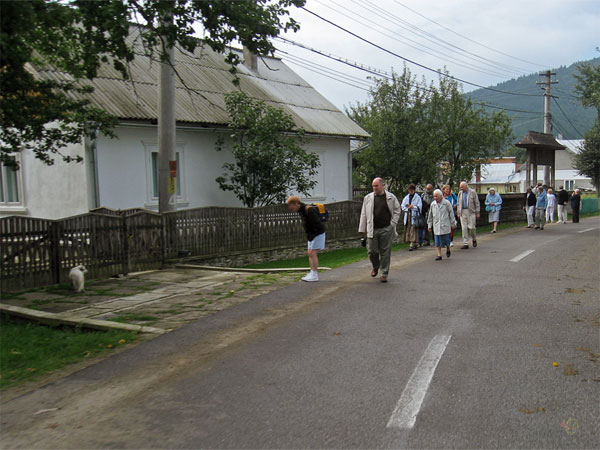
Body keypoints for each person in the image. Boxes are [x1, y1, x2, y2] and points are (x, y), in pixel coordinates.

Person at [359, 177, 401, 283]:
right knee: (371, 251)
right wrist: (362, 229)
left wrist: (393, 224)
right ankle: (375, 266)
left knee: (385, 252)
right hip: (372, 228)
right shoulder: (368, 198)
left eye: (376, 186)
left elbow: (397, 210)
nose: (374, 188)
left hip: (386, 228)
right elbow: (364, 214)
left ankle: (384, 273)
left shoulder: (391, 197)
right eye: (373, 186)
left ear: (382, 185)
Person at [287, 195, 325, 282]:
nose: (290, 208)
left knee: (312, 252)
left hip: (317, 234)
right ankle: (312, 272)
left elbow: (317, 224)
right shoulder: (301, 211)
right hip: (311, 235)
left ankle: (314, 275)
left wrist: (313, 234)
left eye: (291, 205)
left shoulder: (309, 210)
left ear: (296, 203)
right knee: (310, 253)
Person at [427, 189, 456, 260]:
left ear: (441, 196)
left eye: (436, 196)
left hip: (445, 224)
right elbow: (430, 216)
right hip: (436, 225)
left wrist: (453, 223)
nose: (435, 198)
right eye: (434, 196)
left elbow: (451, 214)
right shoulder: (433, 204)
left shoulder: (447, 203)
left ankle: (448, 248)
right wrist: (429, 225)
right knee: (437, 241)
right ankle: (439, 254)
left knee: (446, 240)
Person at [457, 181, 480, 249]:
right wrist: (458, 212)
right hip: (462, 211)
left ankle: (474, 239)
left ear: (466, 186)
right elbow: (458, 203)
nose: (461, 189)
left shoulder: (472, 192)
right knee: (464, 228)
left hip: (471, 211)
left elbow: (477, 202)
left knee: (472, 227)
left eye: (462, 187)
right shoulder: (460, 193)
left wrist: (477, 212)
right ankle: (465, 243)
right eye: (460, 187)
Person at [401, 184, 423, 252]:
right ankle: (415, 243)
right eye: (409, 190)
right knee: (408, 229)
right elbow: (402, 206)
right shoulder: (406, 197)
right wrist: (407, 208)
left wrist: (413, 207)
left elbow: (420, 207)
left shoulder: (417, 197)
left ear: (414, 190)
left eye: (412, 190)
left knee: (413, 229)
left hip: (414, 216)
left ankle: (411, 244)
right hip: (408, 215)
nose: (410, 192)